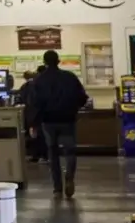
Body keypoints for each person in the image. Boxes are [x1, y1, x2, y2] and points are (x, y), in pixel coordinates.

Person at [22, 49, 91, 197]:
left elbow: (34, 104)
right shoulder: (70, 77)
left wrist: (33, 124)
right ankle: (69, 177)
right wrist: (74, 109)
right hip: (67, 120)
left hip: (48, 122)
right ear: (58, 61)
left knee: (53, 153)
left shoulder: (38, 80)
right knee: (70, 151)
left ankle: (57, 188)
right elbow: (83, 97)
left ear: (44, 62)